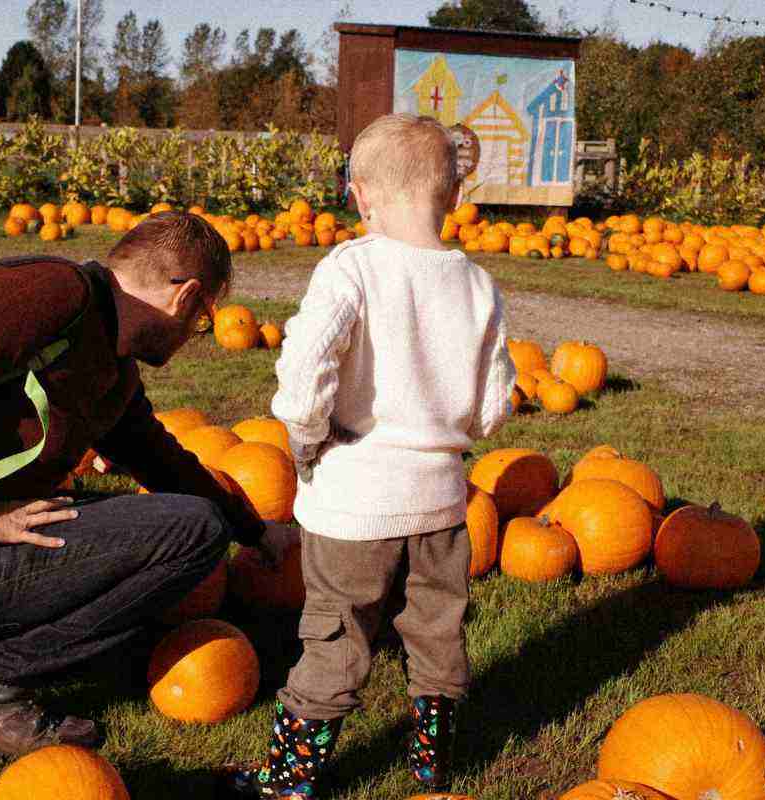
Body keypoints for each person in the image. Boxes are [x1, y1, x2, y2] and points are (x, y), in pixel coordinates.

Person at [0, 211, 294, 758]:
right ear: (186, 296)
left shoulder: (107, 350)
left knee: (179, 524)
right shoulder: (57, 294)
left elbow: (157, 456)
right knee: (193, 532)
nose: (193, 336)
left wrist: (254, 532)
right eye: (202, 319)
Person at [222, 114, 516, 797]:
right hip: (442, 504)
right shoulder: (476, 284)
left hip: (352, 504)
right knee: (437, 632)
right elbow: (496, 401)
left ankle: (289, 781)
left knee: (337, 639)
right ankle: (431, 763)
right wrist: (454, 429)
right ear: (451, 197)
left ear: (361, 197)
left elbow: (306, 365)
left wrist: (305, 433)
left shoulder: (351, 266)